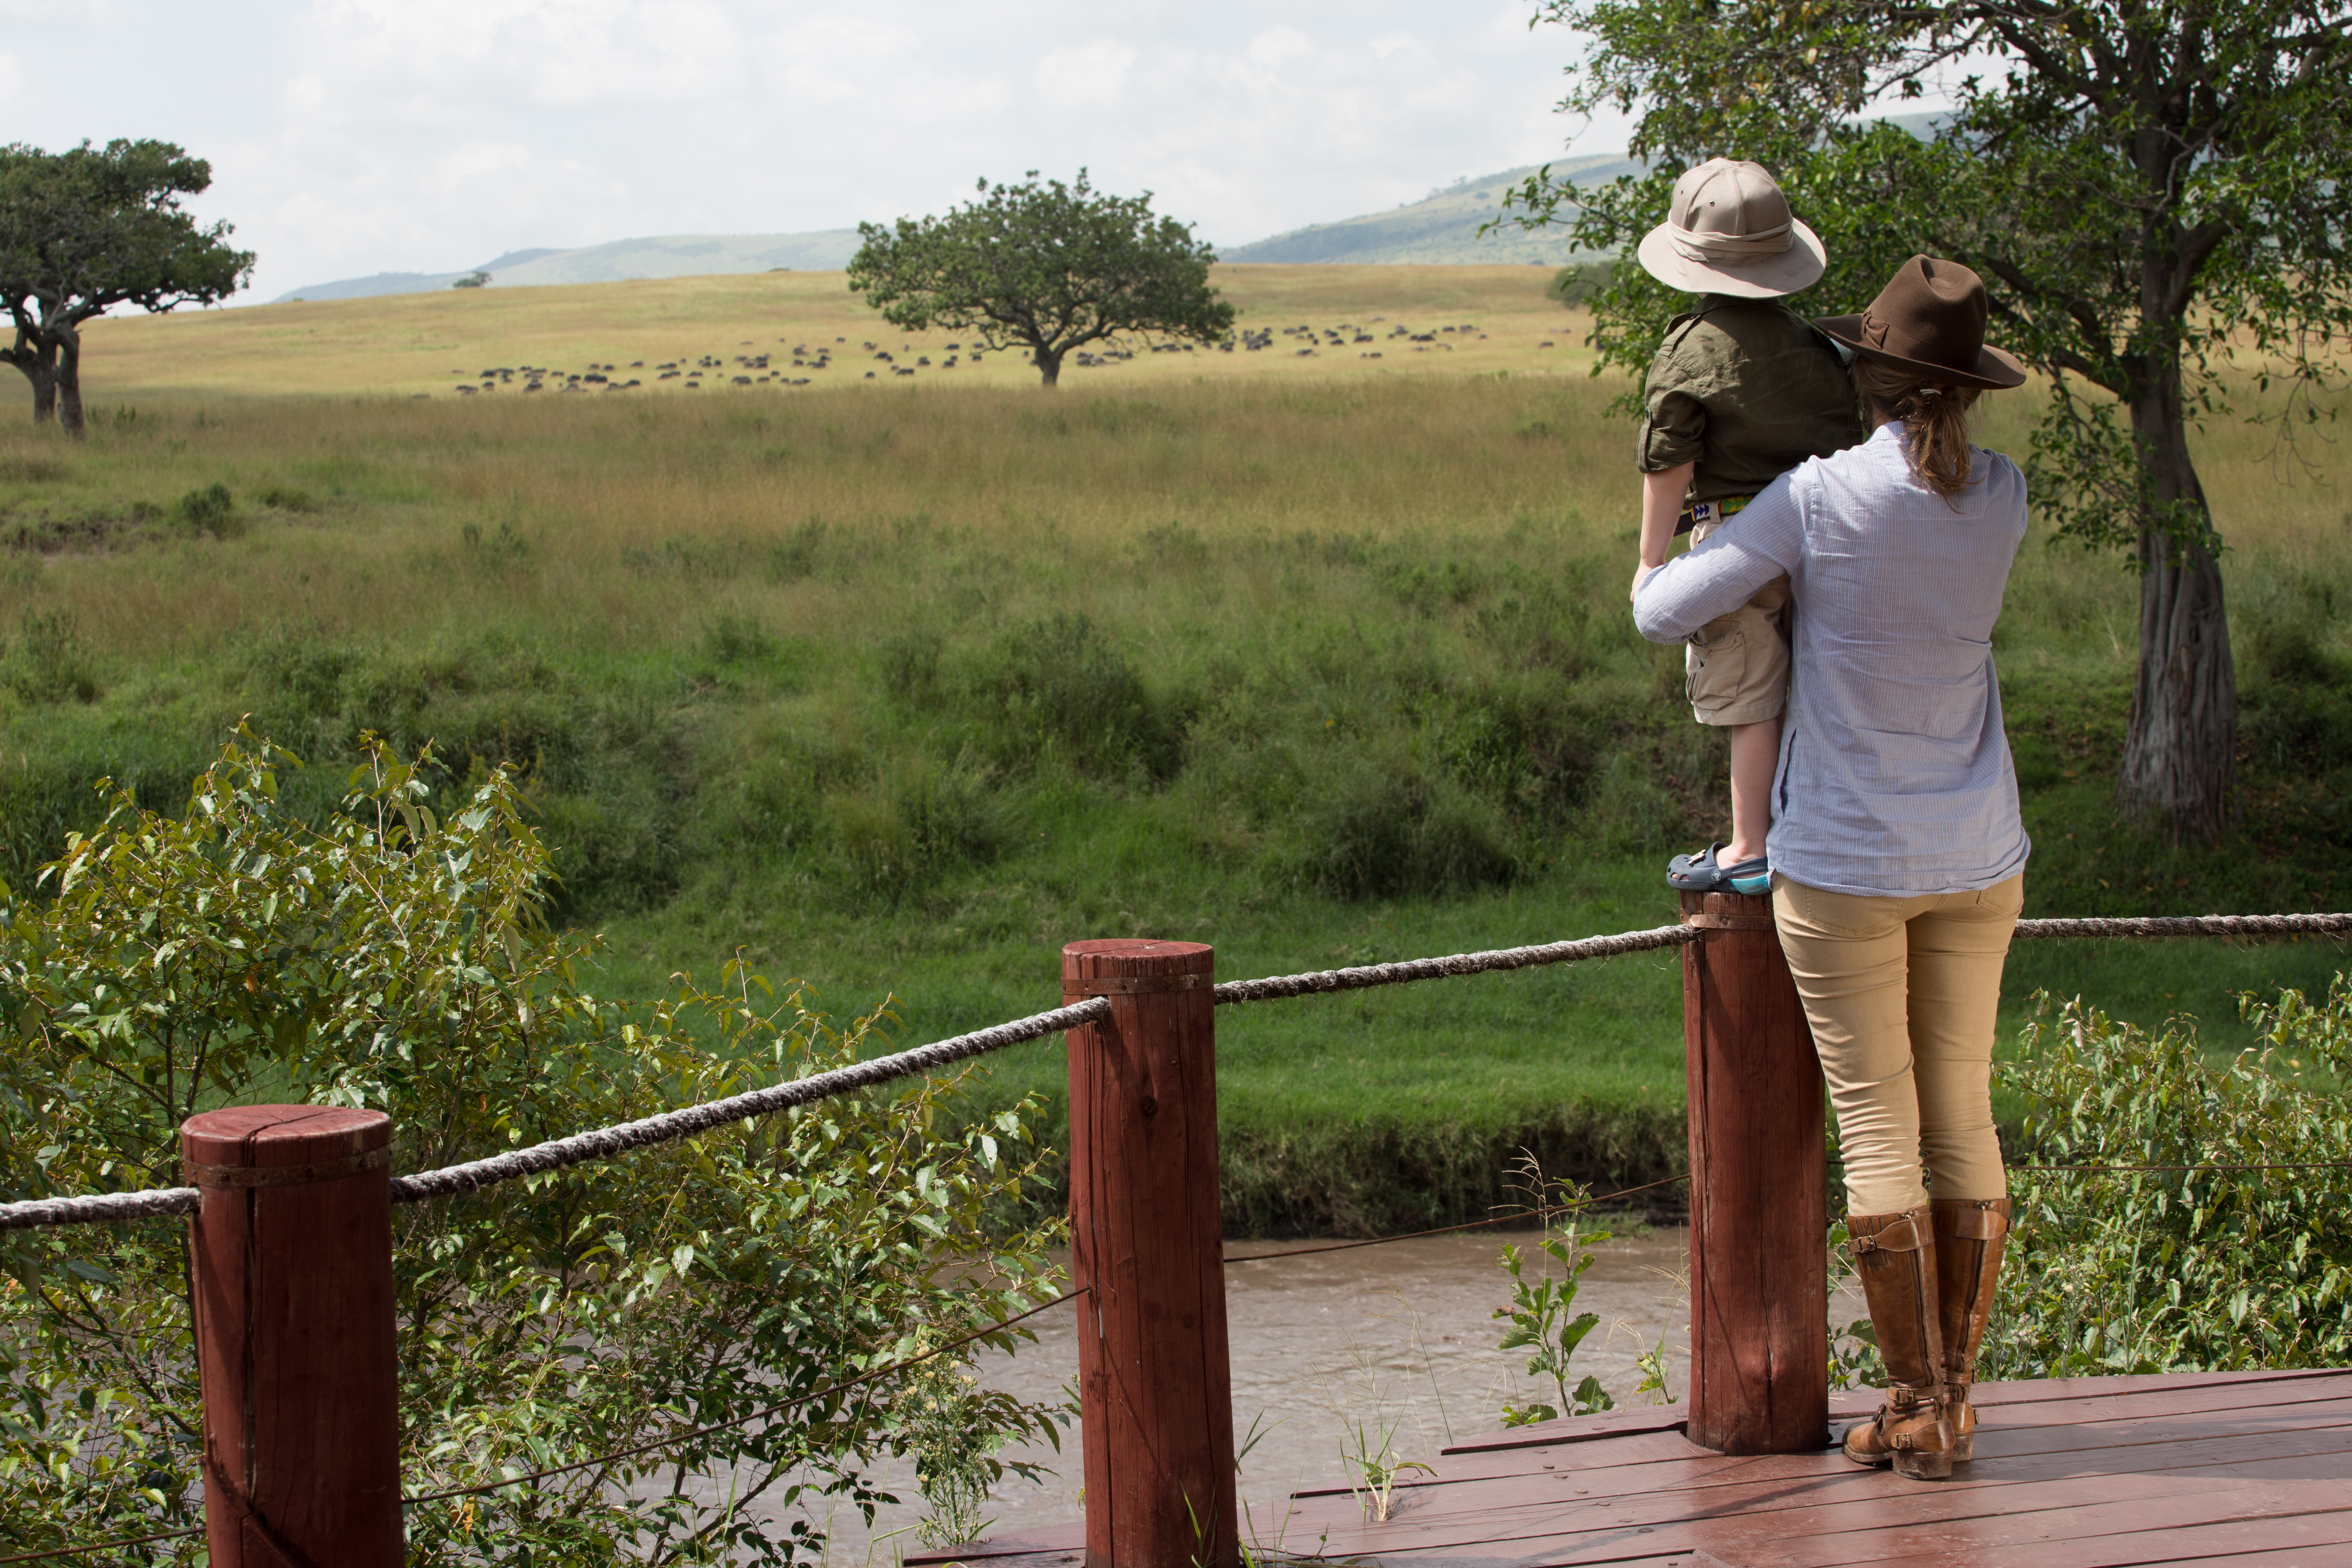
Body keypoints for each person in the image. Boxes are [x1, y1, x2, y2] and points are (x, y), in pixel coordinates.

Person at [1630, 255, 2031, 1482]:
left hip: (1847, 859)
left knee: (1880, 1126)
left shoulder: (1817, 496)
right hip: (1978, 852)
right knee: (1963, 1111)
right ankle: (1949, 1404)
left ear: (1865, 376)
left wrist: (1659, 546)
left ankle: (1914, 1404)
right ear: (1968, 387)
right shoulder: (2004, 492)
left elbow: (1663, 611)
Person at [1630, 158, 1865, 895]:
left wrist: (1649, 564)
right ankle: (1811, 830)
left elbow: (1667, 464)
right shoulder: (1822, 346)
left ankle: (1749, 848)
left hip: (1734, 541)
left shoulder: (1687, 348)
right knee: (1815, 689)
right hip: (1827, 539)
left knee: (1750, 695)